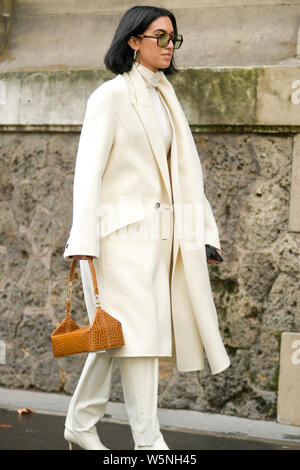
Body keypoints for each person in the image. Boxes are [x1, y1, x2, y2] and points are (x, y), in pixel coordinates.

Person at [63, 5, 230, 451]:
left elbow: (185, 174)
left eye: (174, 37)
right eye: (160, 36)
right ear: (133, 41)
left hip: (161, 238)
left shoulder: (165, 97)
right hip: (115, 241)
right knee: (139, 339)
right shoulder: (110, 97)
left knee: (121, 335)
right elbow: (87, 173)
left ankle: (80, 423)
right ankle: (149, 442)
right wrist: (82, 243)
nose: (169, 44)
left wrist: (204, 233)